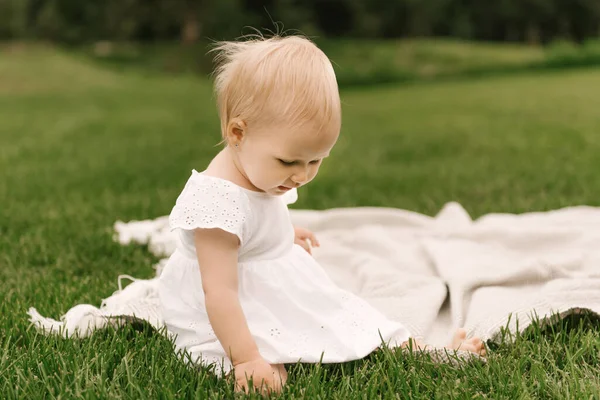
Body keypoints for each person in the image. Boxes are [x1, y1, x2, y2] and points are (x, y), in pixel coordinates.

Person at [157, 33, 486, 395]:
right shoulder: (216, 203)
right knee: (265, 362)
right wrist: (247, 359)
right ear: (238, 132)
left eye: (316, 160)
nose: (301, 175)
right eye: (289, 161)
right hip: (227, 307)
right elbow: (218, 292)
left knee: (352, 317)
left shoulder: (262, 170)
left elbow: (257, 221)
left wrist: (284, 234)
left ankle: (423, 351)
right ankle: (253, 357)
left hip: (271, 286)